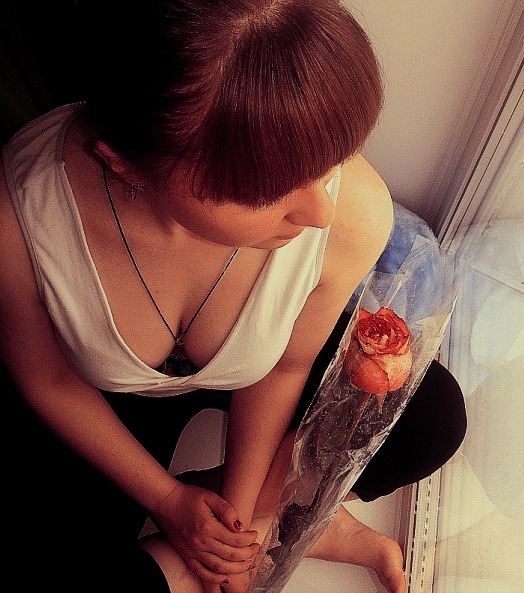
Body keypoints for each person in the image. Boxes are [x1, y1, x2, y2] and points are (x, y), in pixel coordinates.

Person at [0, 1, 466, 592]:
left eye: (329, 163)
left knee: (428, 417)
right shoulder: (23, 208)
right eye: (269, 191)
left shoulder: (352, 209)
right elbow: (47, 378)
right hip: (101, 390)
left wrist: (241, 519)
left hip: (264, 366)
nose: (320, 211)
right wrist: (166, 500)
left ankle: (275, 520)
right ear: (129, 168)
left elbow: (285, 366)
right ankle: (290, 521)